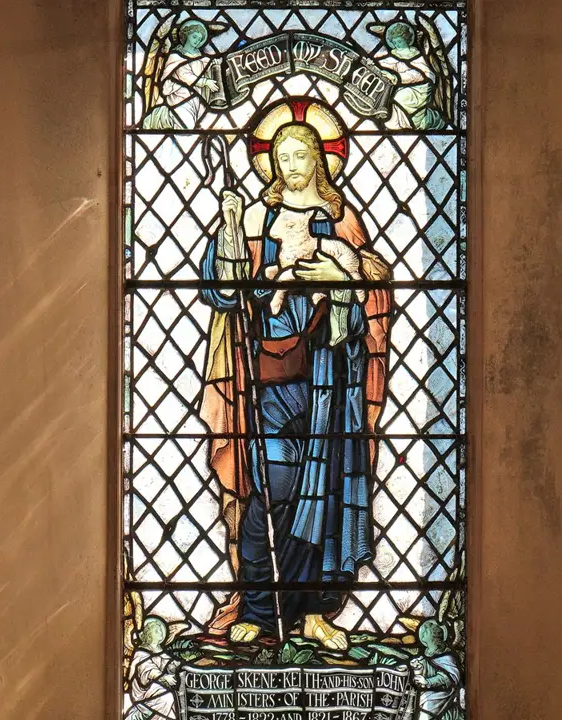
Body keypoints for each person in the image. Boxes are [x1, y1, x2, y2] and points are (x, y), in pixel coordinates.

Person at [197, 110, 391, 651]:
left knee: (326, 493)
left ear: (321, 160)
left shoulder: (341, 221)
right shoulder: (255, 220)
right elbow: (223, 291)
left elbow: (373, 295)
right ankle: (261, 608)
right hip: (268, 380)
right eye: (282, 157)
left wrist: (342, 282)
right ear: (272, 164)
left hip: (330, 378)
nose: (292, 164)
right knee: (273, 491)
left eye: (302, 154)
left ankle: (314, 613)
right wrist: (230, 226)